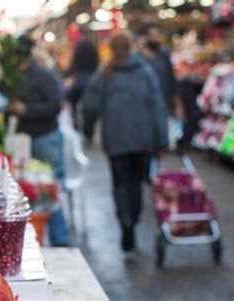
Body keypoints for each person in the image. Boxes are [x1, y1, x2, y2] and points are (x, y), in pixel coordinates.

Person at [81, 32, 168, 251]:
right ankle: (133, 220)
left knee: (120, 183)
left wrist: (88, 129)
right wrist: (162, 139)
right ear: (131, 47)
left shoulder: (105, 74)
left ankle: (125, 223)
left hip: (116, 139)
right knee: (137, 183)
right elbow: (157, 106)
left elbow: (90, 106)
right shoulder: (144, 71)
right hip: (143, 138)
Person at [8, 35, 70, 247]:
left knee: (51, 186)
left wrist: (27, 109)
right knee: (29, 187)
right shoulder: (14, 78)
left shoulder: (44, 76)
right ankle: (35, 238)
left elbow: (56, 106)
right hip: (23, 140)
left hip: (45, 138)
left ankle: (60, 238)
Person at [136, 22, 183, 118]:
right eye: (152, 35)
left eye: (157, 35)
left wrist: (178, 105)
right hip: (145, 110)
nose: (155, 38)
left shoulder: (164, 56)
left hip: (165, 106)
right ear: (144, 37)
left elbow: (172, 81)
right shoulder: (137, 59)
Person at [66, 39, 99, 129]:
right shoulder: (96, 73)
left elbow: (73, 67)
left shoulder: (78, 52)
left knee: (73, 101)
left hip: (79, 82)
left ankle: (75, 123)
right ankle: (88, 130)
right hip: (91, 81)